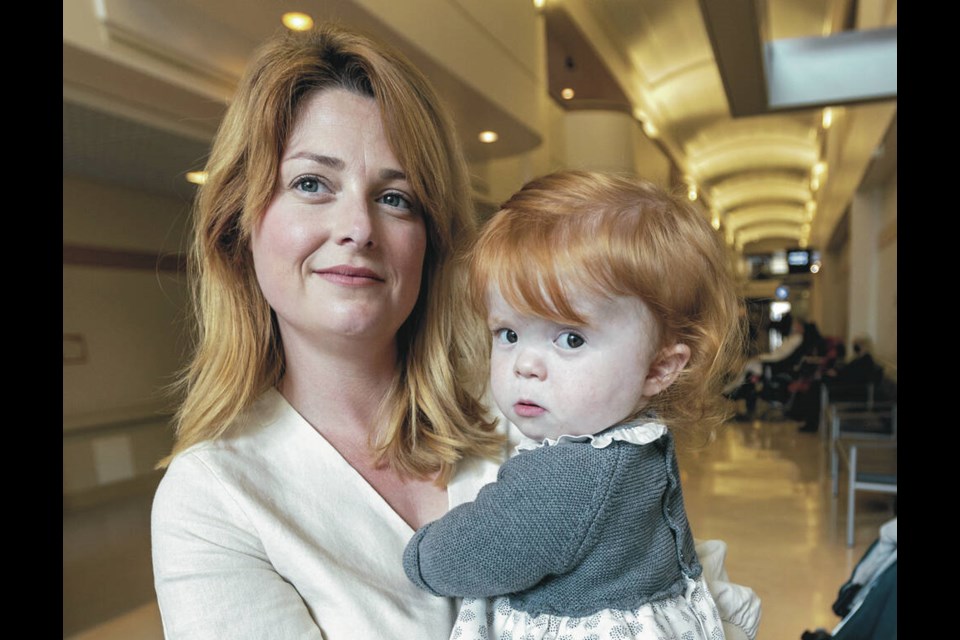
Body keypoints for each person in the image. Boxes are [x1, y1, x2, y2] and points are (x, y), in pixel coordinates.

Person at [150, 24, 509, 639]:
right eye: (311, 184)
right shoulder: (213, 497)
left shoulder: (523, 410)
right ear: (240, 227)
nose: (358, 228)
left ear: (431, 241)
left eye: (395, 198)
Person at [402, 171, 760, 639]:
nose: (525, 364)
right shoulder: (641, 444)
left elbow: (474, 552)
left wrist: (422, 555)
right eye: (508, 333)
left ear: (658, 368)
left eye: (570, 338)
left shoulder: (570, 477)